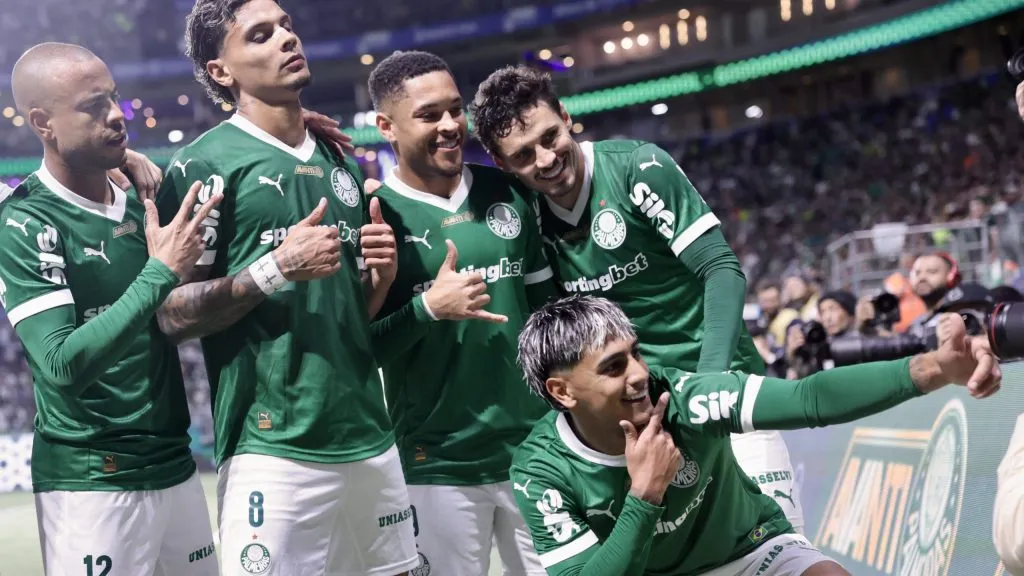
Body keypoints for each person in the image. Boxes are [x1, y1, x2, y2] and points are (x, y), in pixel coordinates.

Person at [470, 65, 804, 532]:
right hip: (641, 420)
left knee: (780, 545)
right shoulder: (527, 215)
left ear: (565, 116)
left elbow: (722, 270)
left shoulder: (637, 167)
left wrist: (707, 384)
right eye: (524, 155)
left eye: (550, 137)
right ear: (503, 164)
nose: (545, 160)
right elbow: (558, 334)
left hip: (721, 393)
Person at [155, 1, 415, 574]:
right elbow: (170, 314)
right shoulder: (204, 165)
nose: (286, 39)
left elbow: (350, 313)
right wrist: (273, 268)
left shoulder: (339, 162)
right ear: (221, 71)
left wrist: (379, 280)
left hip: (371, 438)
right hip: (272, 448)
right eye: (260, 35)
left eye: (287, 26)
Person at [511, 294, 999, 575]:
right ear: (563, 391)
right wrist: (644, 496)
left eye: (635, 354)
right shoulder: (540, 471)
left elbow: (809, 398)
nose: (639, 374)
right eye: (614, 367)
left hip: (749, 550)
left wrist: (933, 369)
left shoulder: (683, 397)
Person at [2, 42, 222, 575]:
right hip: (92, 480)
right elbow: (61, 365)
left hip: (174, 464)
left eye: (114, 98)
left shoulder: (142, 200)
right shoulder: (24, 221)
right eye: (92, 106)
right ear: (43, 122)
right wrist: (160, 272)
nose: (117, 115)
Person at [365, 50, 555, 575]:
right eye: (429, 115)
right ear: (386, 126)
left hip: (536, 451)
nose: (450, 125)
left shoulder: (509, 191)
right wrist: (427, 307)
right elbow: (360, 349)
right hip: (436, 464)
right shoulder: (374, 217)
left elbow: (549, 315)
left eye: (455, 109)